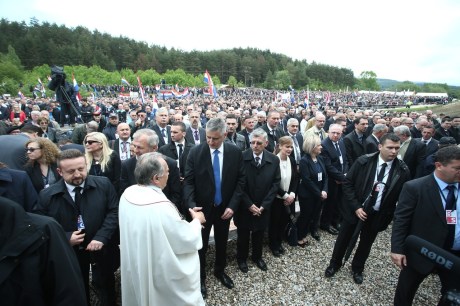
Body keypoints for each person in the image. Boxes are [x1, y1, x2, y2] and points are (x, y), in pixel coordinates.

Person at [34, 149, 119, 306]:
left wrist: (101, 237)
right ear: (59, 171)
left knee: (106, 287)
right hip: (69, 253)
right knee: (76, 289)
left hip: (102, 249)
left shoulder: (103, 184)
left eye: (81, 169)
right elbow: (40, 225)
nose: (78, 174)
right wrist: (65, 238)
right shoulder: (47, 195)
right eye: (71, 171)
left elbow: (114, 211)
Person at [119, 153, 206, 306]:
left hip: (138, 259)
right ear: (156, 179)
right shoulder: (160, 206)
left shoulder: (128, 193)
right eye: (167, 171)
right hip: (158, 268)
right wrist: (197, 221)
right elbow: (184, 238)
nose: (169, 174)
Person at [325, 133, 411, 284]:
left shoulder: (402, 170)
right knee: (343, 239)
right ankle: (334, 264)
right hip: (355, 211)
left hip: (377, 214)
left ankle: (357, 268)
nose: (394, 152)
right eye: (390, 147)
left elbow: (402, 196)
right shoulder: (363, 162)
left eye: (397, 148)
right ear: (380, 147)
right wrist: (356, 207)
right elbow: (348, 184)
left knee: (366, 243)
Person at [183, 117, 245, 298]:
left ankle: (220, 270)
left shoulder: (235, 152)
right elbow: (188, 182)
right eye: (208, 137)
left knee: (221, 241)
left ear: (225, 135)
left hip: (224, 209)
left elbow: (241, 181)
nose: (210, 141)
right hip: (201, 211)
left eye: (215, 138)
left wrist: (233, 206)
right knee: (200, 246)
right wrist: (193, 207)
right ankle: (200, 278)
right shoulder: (195, 152)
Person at [391, 145, 460, 306]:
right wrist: (397, 249)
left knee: (452, 294)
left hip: (455, 254)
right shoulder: (415, 187)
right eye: (457, 168)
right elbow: (401, 220)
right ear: (439, 165)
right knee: (406, 291)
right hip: (423, 252)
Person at [0, 196, 87, 306]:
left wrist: (100, 237)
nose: (77, 176)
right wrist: (67, 236)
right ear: (61, 176)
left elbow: (69, 294)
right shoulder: (47, 195)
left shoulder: (46, 229)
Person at [235, 128, 280, 273]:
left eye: (259, 143)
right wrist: (249, 204)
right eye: (252, 142)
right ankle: (241, 258)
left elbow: (275, 184)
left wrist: (264, 205)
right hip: (244, 205)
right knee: (243, 234)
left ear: (266, 143)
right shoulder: (241, 157)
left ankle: (257, 257)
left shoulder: (273, 160)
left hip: (263, 206)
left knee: (259, 233)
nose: (255, 145)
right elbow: (237, 184)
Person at [120, 128, 182, 208]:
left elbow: (176, 194)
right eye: (134, 146)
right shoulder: (127, 165)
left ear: (154, 148)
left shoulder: (170, 164)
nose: (135, 150)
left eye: (140, 147)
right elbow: (124, 192)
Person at [268, 136, 298, 256]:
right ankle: (273, 245)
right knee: (274, 222)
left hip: (289, 198)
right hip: (276, 198)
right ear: (280, 146)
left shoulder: (292, 160)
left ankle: (279, 242)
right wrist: (284, 195)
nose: (289, 149)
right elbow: (272, 182)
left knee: (284, 222)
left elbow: (295, 179)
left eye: (291, 147)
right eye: (287, 146)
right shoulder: (274, 160)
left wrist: (292, 194)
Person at [296, 134, 328, 246]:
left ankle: (308, 232)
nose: (321, 147)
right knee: (305, 215)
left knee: (314, 214)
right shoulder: (304, 161)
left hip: (319, 194)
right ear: (312, 147)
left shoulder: (320, 158)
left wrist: (324, 190)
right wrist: (319, 193)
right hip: (307, 195)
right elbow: (307, 180)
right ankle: (300, 236)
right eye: (319, 145)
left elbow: (325, 176)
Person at [319, 124, 348, 235]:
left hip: (341, 177)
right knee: (330, 203)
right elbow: (328, 166)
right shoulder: (324, 145)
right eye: (333, 133)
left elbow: (345, 160)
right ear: (328, 132)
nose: (335, 135)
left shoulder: (341, 142)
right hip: (331, 180)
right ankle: (325, 224)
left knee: (339, 201)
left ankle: (335, 221)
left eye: (338, 133)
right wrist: (341, 177)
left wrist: (345, 174)